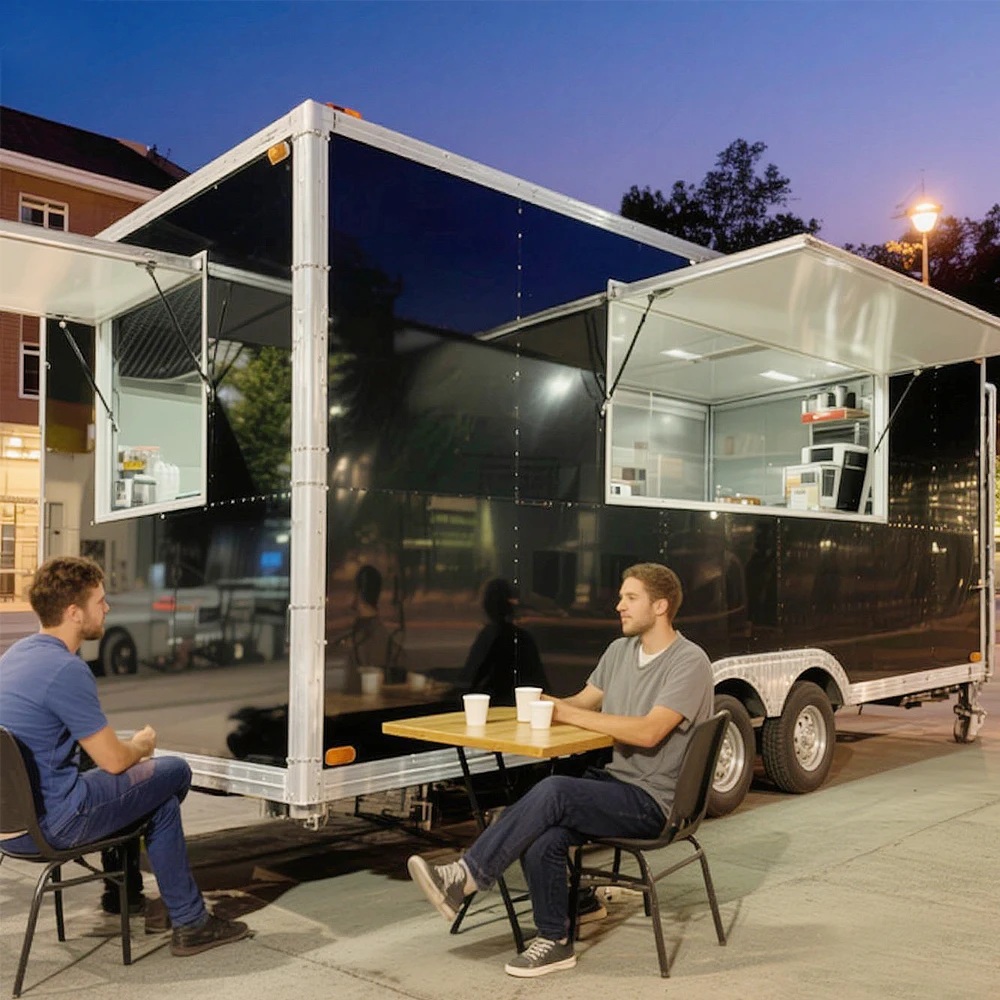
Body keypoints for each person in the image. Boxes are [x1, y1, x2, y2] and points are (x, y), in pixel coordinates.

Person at [407, 562, 713, 978]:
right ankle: (558, 936)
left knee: (554, 792)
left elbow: (648, 732)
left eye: (630, 598)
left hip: (657, 803)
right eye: (621, 597)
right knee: (542, 831)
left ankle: (466, 878)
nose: (618, 605)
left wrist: (570, 715)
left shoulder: (688, 661)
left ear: (660, 606)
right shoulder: (619, 651)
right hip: (617, 784)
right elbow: (584, 702)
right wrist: (543, 704)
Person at [0, 556, 250, 956]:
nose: (107, 608)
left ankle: (126, 897)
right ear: (73, 612)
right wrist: (143, 745)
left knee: (146, 796)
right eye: (100, 601)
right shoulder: (66, 668)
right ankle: (188, 923)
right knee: (170, 777)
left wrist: (120, 751)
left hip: (10, 828)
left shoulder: (15, 656)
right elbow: (115, 762)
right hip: (53, 825)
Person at [459, 578, 548, 704]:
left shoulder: (490, 635)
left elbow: (469, 678)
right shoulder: (523, 637)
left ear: (487, 603)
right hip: (525, 706)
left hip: (495, 706)